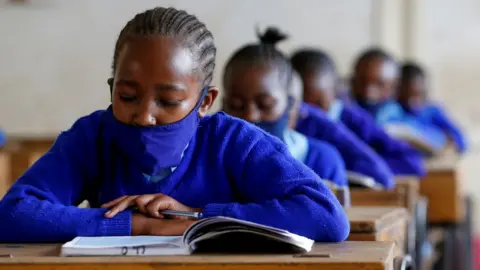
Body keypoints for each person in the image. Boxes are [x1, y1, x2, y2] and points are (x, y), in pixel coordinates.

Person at [0, 7, 349, 243]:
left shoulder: (233, 142)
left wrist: (197, 216)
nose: (144, 116)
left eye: (167, 102)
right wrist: (137, 225)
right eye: (127, 96)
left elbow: (325, 217)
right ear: (111, 89)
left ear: (205, 103)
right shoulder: (93, 138)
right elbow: (13, 213)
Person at [222, 27, 348, 188]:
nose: (250, 115)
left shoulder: (321, 161)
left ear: (289, 104)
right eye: (236, 105)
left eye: (265, 105)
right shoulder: (211, 161)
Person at [290, 48, 425, 176]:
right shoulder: (283, 128)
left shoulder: (354, 120)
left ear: (336, 91)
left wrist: (359, 169)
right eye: (301, 106)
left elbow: (411, 162)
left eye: (319, 105)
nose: (310, 114)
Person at [350, 47, 447, 153]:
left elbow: (437, 141)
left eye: (380, 84)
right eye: (362, 82)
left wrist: (406, 133)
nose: (368, 93)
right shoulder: (344, 111)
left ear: (394, 87)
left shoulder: (397, 116)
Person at [398, 62, 467, 153]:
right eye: (406, 95)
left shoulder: (432, 111)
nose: (412, 102)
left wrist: (449, 143)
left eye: (417, 95)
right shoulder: (395, 111)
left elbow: (460, 139)